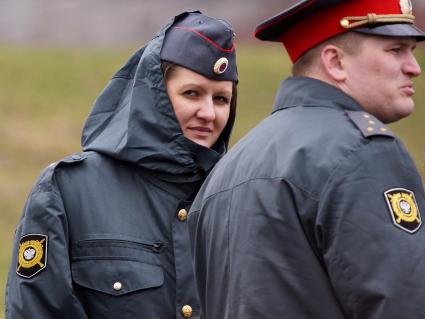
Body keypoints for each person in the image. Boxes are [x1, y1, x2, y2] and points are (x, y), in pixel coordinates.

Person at [188, 0, 425, 318]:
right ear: (335, 62)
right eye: (396, 50)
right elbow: (403, 304)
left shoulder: (229, 167)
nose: (414, 67)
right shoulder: (362, 152)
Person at [5, 11, 237, 319]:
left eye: (221, 99)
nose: (208, 113)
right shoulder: (70, 191)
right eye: (191, 93)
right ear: (155, 94)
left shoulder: (238, 195)